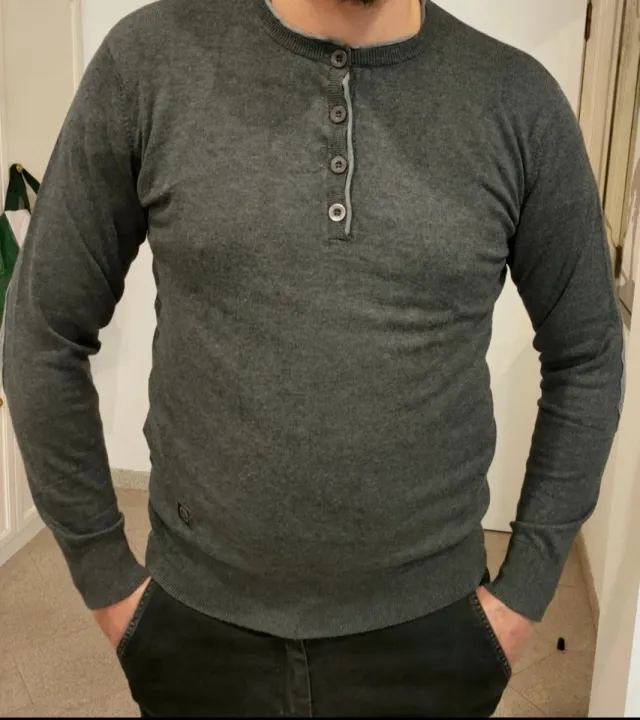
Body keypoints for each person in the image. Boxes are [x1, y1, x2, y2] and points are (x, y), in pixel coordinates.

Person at [1, 0, 624, 716]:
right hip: (196, 633)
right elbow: (43, 330)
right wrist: (107, 577)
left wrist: (523, 596)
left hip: (436, 639)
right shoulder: (148, 63)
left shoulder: (517, 101)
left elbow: (588, 353)